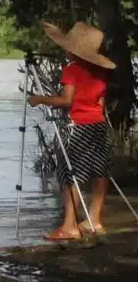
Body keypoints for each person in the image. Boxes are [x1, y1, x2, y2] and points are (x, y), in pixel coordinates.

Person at [27, 21, 116, 241]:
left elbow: (67, 101)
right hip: (98, 124)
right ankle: (94, 219)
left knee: (69, 174)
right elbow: (101, 104)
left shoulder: (72, 70)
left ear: (74, 50)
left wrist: (40, 99)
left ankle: (69, 226)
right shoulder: (101, 72)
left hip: (78, 126)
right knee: (100, 171)